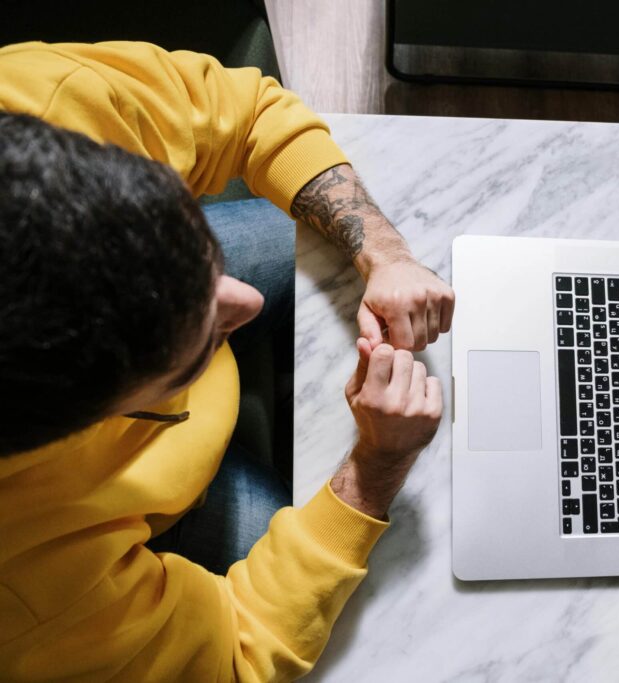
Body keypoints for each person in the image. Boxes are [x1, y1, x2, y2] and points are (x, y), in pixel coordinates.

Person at [0, 41, 454, 681]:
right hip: (136, 525)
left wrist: (384, 250)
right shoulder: (27, 595)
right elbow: (238, 651)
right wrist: (376, 468)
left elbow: (246, 113)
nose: (247, 296)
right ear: (94, 419)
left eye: (191, 233)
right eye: (193, 355)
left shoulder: (41, 101)